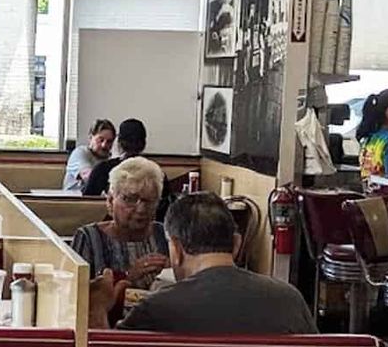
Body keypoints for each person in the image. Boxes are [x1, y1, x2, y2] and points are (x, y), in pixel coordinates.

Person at [91, 191, 316, 335]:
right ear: (236, 245)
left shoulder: (156, 309)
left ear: (176, 250)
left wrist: (97, 309)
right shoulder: (290, 299)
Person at [71, 157, 169, 290]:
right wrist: (128, 277)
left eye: (149, 201)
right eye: (130, 199)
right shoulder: (89, 238)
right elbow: (77, 292)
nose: (141, 209)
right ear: (111, 200)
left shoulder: (165, 235)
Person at [83, 118, 150, 197]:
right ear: (144, 145)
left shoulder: (102, 170)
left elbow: (88, 202)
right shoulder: (156, 173)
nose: (104, 145)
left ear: (118, 143)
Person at [63, 118, 115, 193]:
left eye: (109, 142)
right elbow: (88, 176)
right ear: (90, 138)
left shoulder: (111, 158)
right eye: (100, 140)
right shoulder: (80, 153)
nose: (104, 145)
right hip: (74, 200)